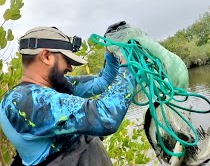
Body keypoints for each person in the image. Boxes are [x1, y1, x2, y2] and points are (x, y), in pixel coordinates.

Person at [0, 26, 136, 166]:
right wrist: (131, 65)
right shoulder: (23, 100)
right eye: (67, 60)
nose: (70, 68)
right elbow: (106, 117)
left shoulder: (53, 88)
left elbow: (102, 81)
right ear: (46, 56)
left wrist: (111, 50)